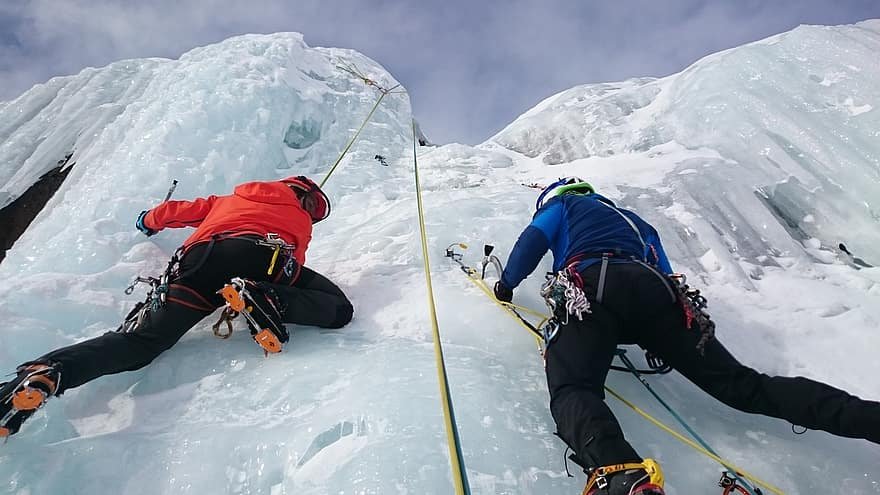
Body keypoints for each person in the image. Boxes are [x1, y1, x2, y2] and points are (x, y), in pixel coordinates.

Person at [493, 177, 880, 495]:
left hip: (592, 283)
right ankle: (868, 418)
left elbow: (532, 243)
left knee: (574, 386)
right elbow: (664, 270)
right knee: (744, 386)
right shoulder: (634, 222)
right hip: (657, 292)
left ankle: (621, 472)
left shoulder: (561, 207)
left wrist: (507, 284)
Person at [0, 176, 353, 437]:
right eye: (314, 205)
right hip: (265, 256)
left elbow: (179, 212)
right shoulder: (300, 219)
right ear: (301, 195)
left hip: (199, 262)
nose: (312, 213)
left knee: (141, 344)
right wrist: (274, 289)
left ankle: (47, 375)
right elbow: (295, 261)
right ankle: (263, 296)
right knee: (339, 308)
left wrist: (148, 220)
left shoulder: (228, 199)